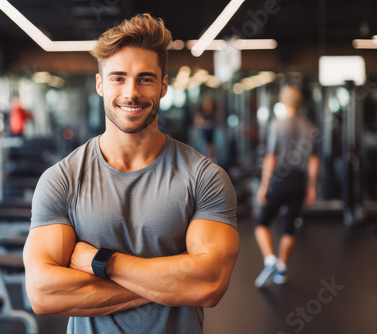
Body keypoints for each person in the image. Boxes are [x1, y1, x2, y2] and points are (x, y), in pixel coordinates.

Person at [23, 14, 239, 333]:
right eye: (118, 78)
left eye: (145, 78)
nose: (131, 93)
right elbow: (43, 293)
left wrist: (99, 262)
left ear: (164, 85)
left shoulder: (204, 178)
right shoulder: (62, 180)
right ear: (100, 84)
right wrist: (170, 287)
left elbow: (207, 283)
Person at [254, 85, 319, 288]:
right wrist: (312, 187)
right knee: (289, 227)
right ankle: (281, 270)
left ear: (284, 101)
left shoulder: (278, 125)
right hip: (299, 180)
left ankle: (270, 259)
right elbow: (314, 162)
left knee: (262, 223)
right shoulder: (310, 127)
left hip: (280, 179)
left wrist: (264, 185)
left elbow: (271, 157)